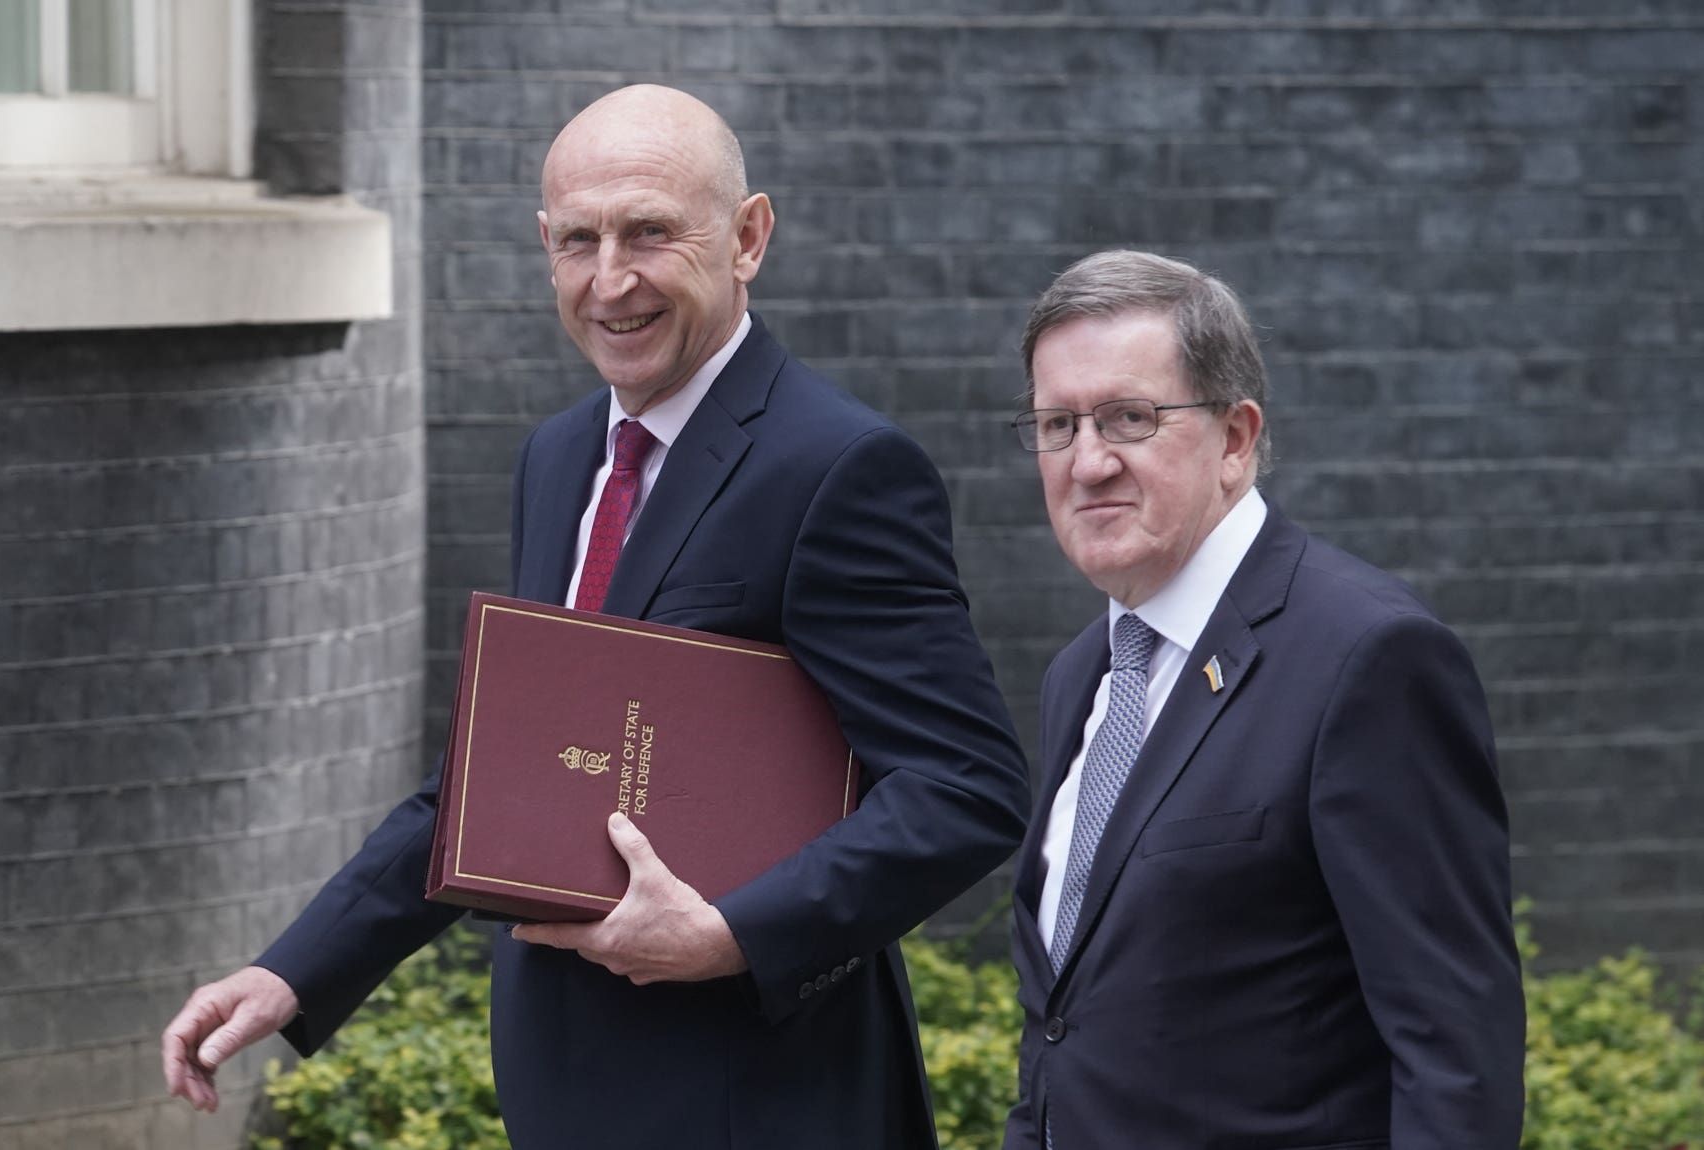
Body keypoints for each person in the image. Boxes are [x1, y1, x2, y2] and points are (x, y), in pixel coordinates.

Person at [161, 84, 1030, 1150]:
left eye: (651, 232)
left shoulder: (841, 468)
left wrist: (730, 934)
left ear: (748, 236)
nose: (610, 280)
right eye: (579, 240)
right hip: (566, 1079)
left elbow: (966, 788)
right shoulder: (560, 456)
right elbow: (499, 775)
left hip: (754, 1095)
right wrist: (289, 972)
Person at [1002, 250, 1524, 1149]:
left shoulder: (1366, 658)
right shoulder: (1082, 674)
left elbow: (1453, 1050)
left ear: (1235, 439)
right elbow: (1064, 1020)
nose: (1086, 463)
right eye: (1057, 424)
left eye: (1128, 418)